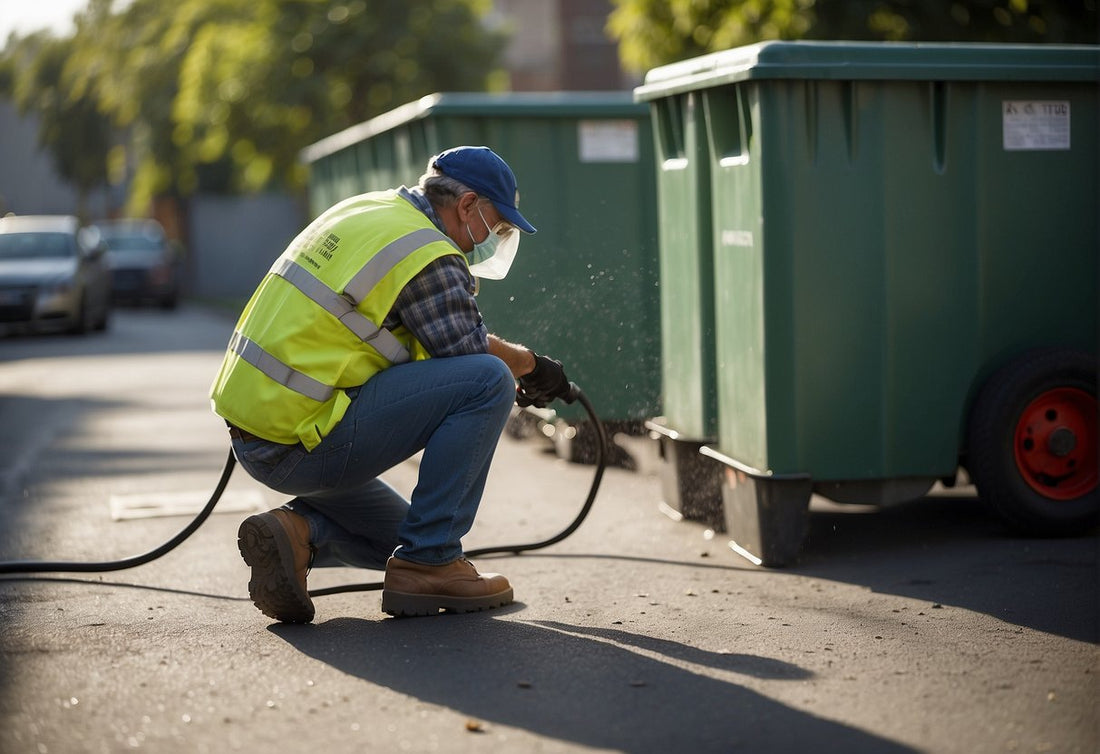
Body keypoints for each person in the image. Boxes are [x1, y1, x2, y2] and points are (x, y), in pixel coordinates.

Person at [209, 146, 574, 623]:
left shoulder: (372, 211)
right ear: (467, 206)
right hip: (301, 439)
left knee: (404, 535)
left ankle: (299, 534)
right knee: (487, 382)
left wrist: (523, 362)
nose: (495, 238)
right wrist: (528, 364)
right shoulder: (425, 251)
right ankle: (432, 563)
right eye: (498, 226)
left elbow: (442, 336)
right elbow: (468, 356)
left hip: (260, 433)